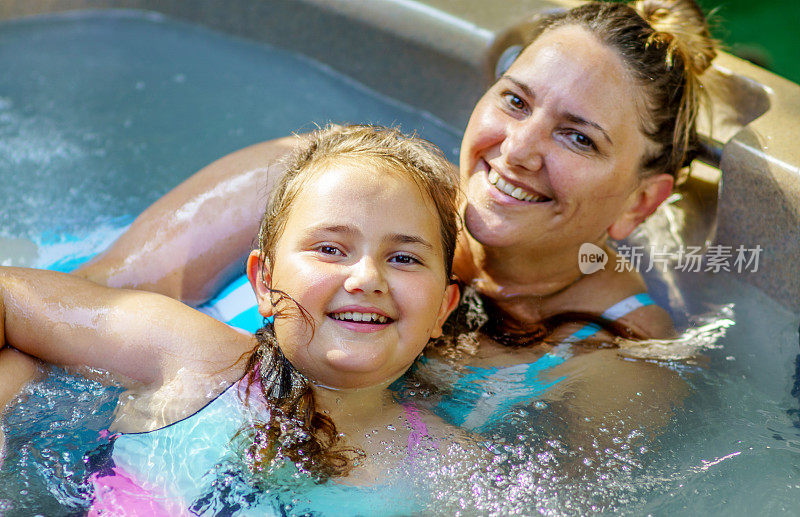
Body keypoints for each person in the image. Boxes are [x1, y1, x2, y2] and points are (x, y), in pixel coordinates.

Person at [7, 0, 718, 457]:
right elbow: (66, 303)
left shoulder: (622, 363)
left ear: (639, 203)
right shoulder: (330, 182)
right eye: (515, 100)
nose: (518, 149)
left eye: (578, 138)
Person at [0, 125, 466, 513]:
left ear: (442, 309)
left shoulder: (450, 467)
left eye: (404, 258)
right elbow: (9, 295)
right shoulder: (193, 355)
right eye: (330, 249)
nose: (367, 277)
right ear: (263, 282)